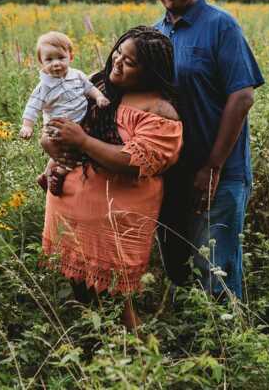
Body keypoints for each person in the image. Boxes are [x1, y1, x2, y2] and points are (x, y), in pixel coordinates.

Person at [40, 26, 182, 329]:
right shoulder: (95, 84)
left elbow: (134, 161)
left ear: (151, 71)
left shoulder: (160, 111)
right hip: (70, 206)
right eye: (117, 53)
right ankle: (98, 358)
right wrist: (49, 143)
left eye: (129, 62)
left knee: (117, 299)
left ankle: (139, 363)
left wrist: (82, 141)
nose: (117, 62)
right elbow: (56, 119)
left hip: (114, 220)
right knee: (82, 292)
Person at [153, 0, 264, 300]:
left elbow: (242, 96)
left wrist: (212, 167)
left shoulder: (221, 25)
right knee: (177, 269)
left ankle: (229, 348)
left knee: (216, 270)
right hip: (171, 173)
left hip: (219, 173)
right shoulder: (156, 34)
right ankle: (187, 351)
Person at [19, 31, 110, 195]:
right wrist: (27, 126)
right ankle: (59, 173)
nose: (56, 64)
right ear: (41, 62)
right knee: (69, 152)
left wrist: (99, 97)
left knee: (84, 141)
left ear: (70, 57)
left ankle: (47, 173)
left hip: (81, 119)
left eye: (61, 58)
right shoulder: (43, 87)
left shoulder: (77, 75)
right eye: (49, 59)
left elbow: (89, 89)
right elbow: (32, 107)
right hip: (58, 126)